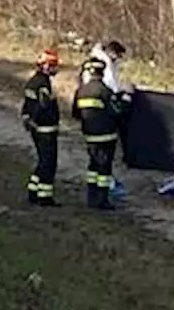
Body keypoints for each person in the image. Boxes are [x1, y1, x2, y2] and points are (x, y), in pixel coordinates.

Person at [72, 57, 125, 210]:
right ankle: (102, 200)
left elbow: (75, 114)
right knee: (104, 169)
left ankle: (91, 197)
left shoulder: (81, 91)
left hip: (90, 136)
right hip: (106, 136)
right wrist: (126, 98)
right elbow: (117, 111)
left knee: (93, 166)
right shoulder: (104, 91)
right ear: (102, 72)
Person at [82, 39, 131, 197]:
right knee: (104, 164)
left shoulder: (84, 87)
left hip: (89, 129)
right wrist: (125, 97)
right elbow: (114, 104)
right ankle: (104, 193)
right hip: (105, 130)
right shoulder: (105, 74)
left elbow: (76, 111)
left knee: (94, 162)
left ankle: (92, 193)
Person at [20, 48, 62, 206]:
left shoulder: (32, 81)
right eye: (53, 65)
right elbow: (43, 104)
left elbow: (28, 105)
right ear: (45, 66)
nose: (55, 69)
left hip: (36, 128)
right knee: (48, 163)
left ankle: (33, 190)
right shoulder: (43, 83)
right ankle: (45, 197)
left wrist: (28, 119)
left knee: (42, 160)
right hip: (45, 129)